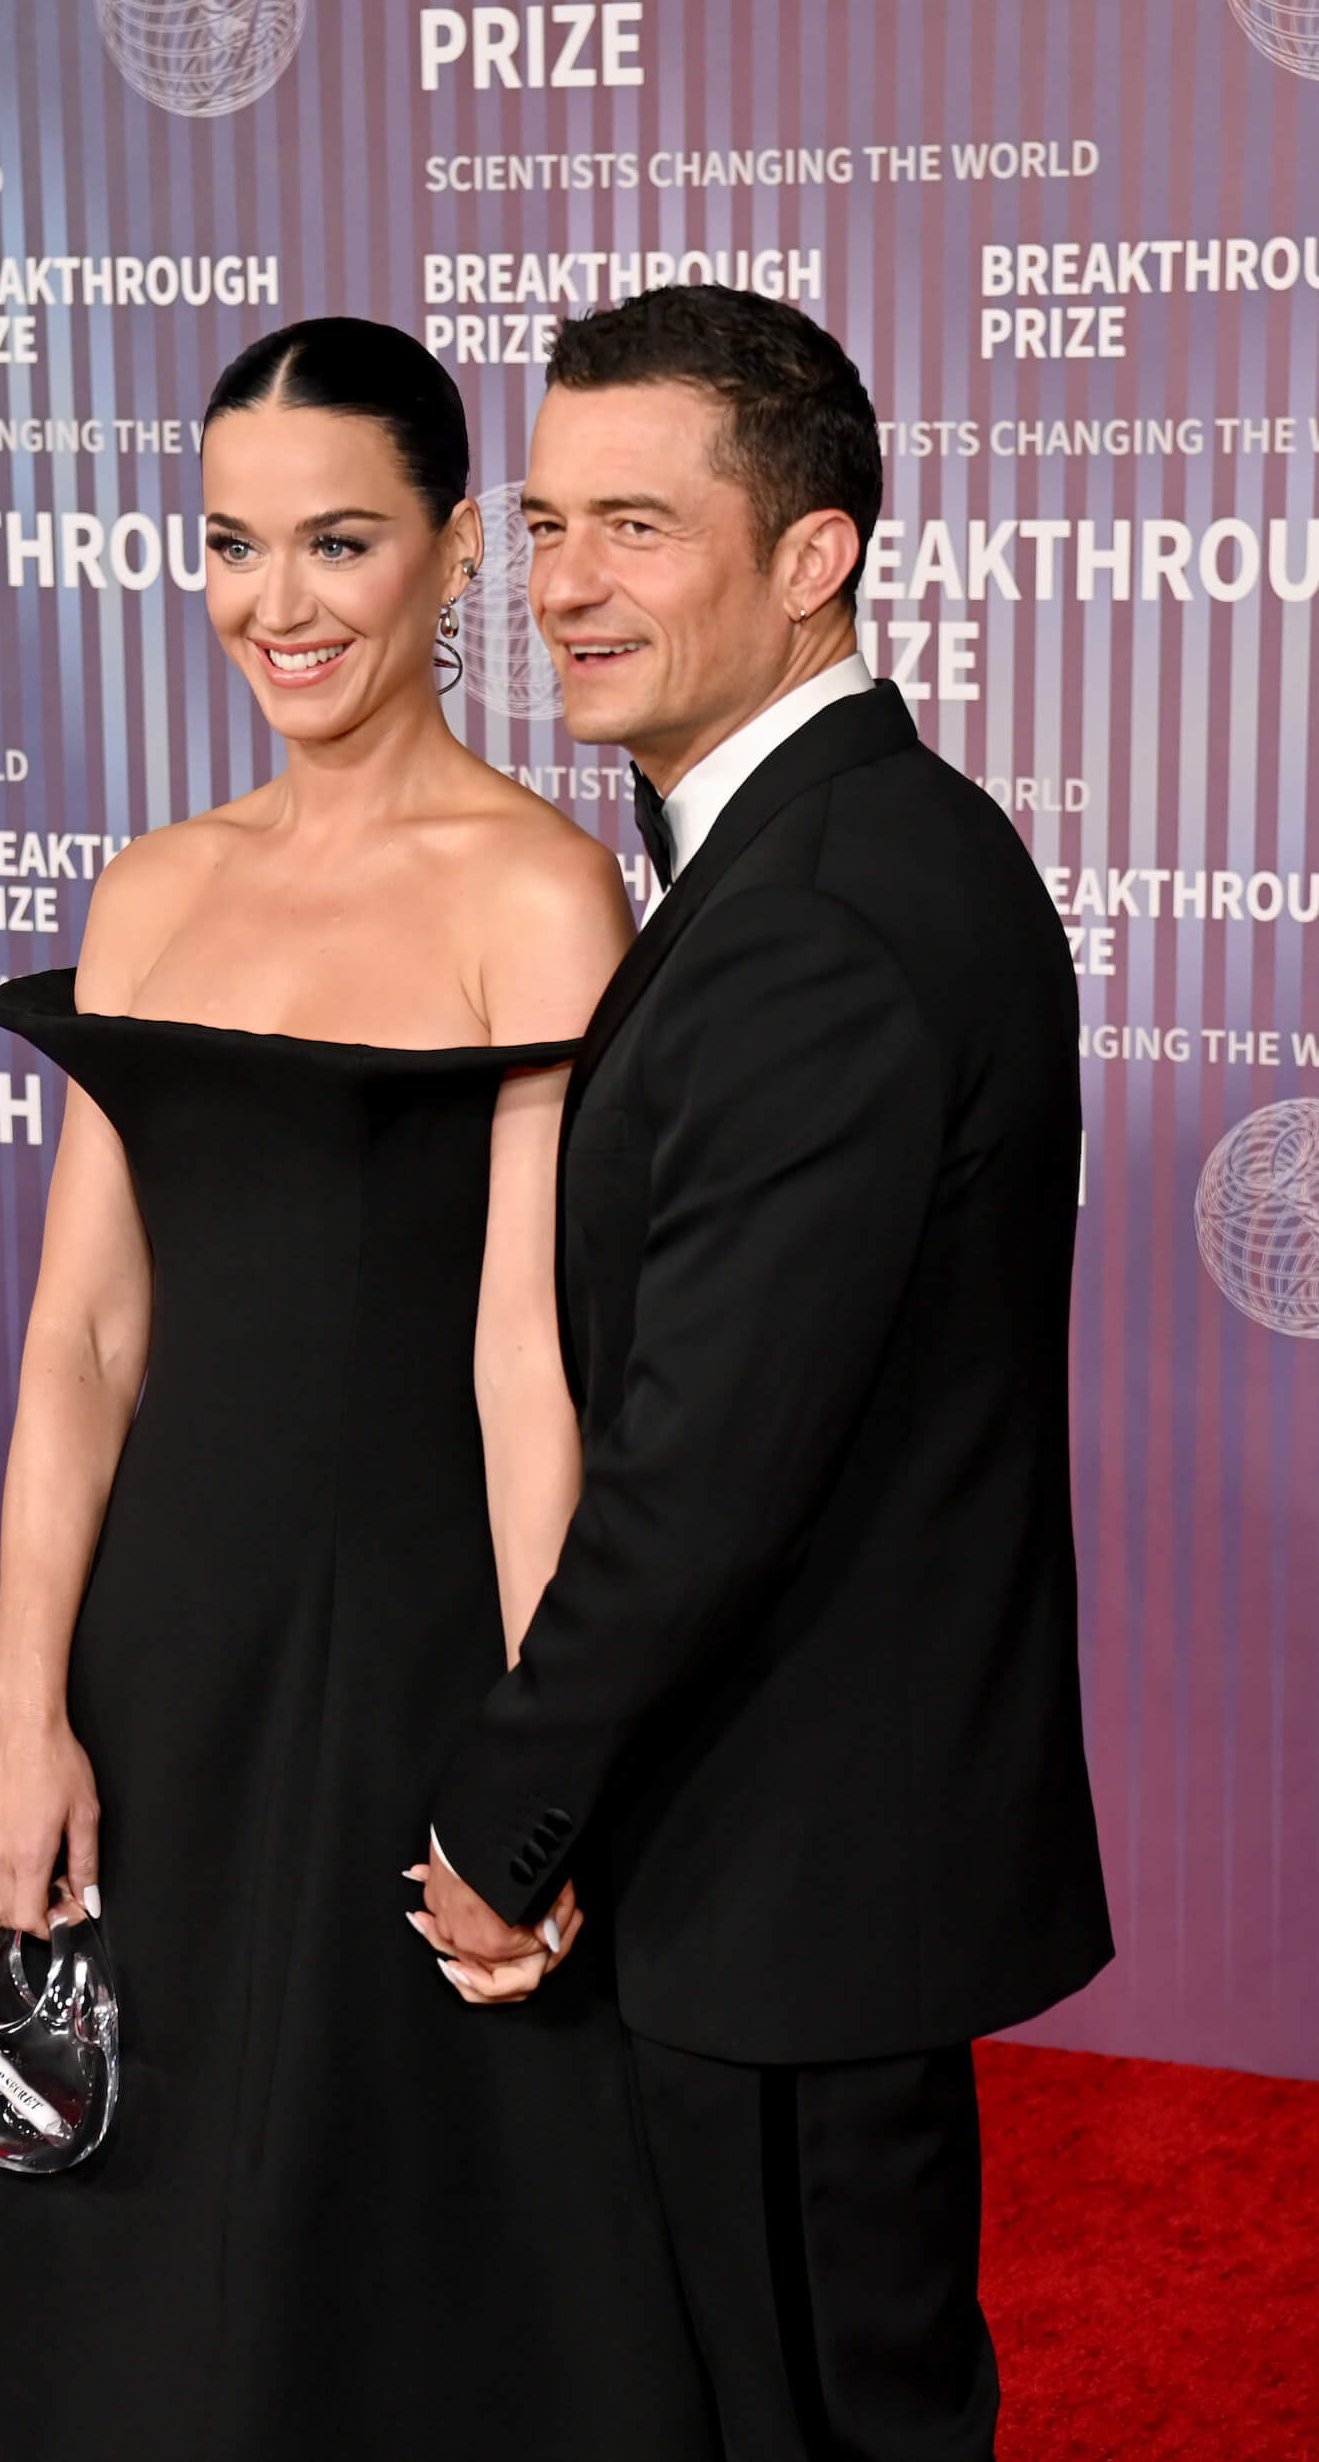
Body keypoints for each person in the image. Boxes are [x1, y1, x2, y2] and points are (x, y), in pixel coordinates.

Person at [0, 317, 719, 2462]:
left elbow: (531, 1368)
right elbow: (83, 1334)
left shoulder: (538, 896)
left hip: (398, 1665)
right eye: (232, 545)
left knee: (400, 2224)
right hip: (153, 1662)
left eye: (339, 541)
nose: (280, 603)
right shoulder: (153, 889)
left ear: (456, 554)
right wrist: (24, 1698)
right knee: (99, 2195)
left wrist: (546, 1767)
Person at [414, 286, 1115, 2462]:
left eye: (636, 521)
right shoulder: (815, 853)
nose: (563, 585)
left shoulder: (824, 905)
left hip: (795, 1874)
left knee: (822, 2413)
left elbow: (710, 1457)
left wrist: (503, 1809)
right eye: (542, 522)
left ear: (812, 554)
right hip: (794, 1852)